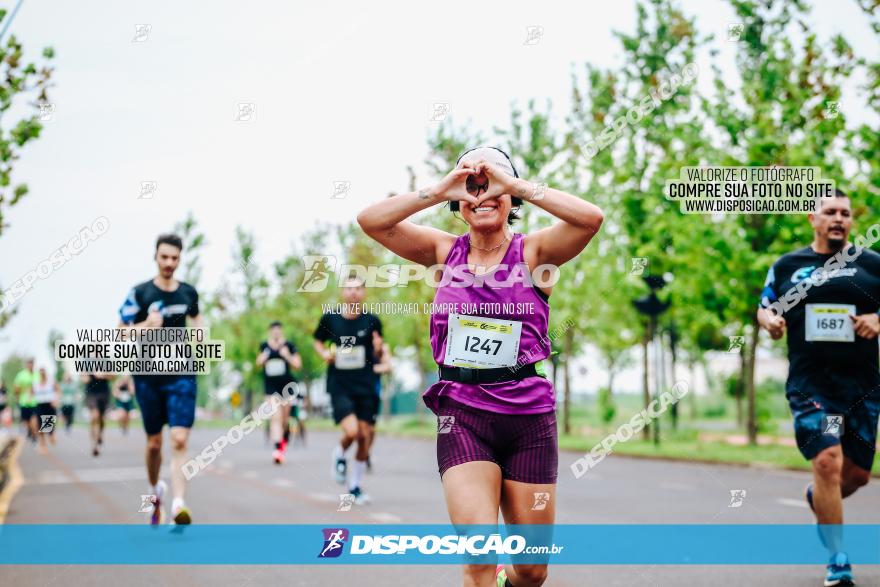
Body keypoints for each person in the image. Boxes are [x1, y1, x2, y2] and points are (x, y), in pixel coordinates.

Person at [357, 146, 603, 587]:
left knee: (531, 570)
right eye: (471, 188)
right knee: (478, 555)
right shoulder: (441, 251)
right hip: (463, 414)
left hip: (529, 418)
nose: (482, 194)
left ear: (512, 198)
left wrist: (514, 182)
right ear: (457, 201)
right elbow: (372, 221)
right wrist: (436, 190)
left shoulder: (535, 253)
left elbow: (590, 219)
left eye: (492, 185)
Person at [757, 189, 880, 587]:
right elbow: (765, 305)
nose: (839, 218)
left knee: (858, 474)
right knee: (828, 458)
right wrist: (770, 322)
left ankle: (818, 500)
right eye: (830, 212)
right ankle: (838, 560)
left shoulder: (872, 265)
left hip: (862, 386)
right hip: (813, 387)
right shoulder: (789, 266)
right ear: (813, 219)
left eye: (845, 213)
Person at [118, 233, 202, 525]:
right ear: (155, 256)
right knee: (154, 444)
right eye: (164, 257)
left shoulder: (188, 293)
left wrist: (202, 339)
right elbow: (120, 331)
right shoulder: (139, 293)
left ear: (180, 259)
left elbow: (198, 321)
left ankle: (179, 504)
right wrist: (144, 326)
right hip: (148, 375)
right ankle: (156, 492)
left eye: (174, 258)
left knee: (179, 439)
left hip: (181, 373)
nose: (169, 263)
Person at [313, 276, 384, 504]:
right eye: (349, 288)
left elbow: (379, 353)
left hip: (365, 386)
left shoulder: (372, 320)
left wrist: (379, 349)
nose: (354, 292)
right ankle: (340, 453)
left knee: (365, 438)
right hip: (340, 385)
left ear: (364, 292)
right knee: (353, 432)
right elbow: (317, 341)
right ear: (343, 292)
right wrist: (324, 353)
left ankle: (355, 487)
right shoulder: (330, 319)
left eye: (358, 288)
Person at [255, 321, 302, 464]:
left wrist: (287, 356)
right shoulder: (265, 346)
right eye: (273, 330)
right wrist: (262, 358)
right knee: (275, 416)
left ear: (281, 331)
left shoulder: (289, 346)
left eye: (278, 330)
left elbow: (298, 365)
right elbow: (258, 363)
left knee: (284, 420)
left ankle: (282, 446)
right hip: (271, 387)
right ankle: (277, 450)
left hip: (286, 386)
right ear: (270, 331)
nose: (276, 332)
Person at [366, 338, 392, 473]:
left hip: (373, 394)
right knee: (360, 428)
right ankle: (362, 451)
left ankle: (366, 452)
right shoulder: (364, 345)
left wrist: (370, 368)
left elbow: (388, 367)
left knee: (371, 429)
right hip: (358, 393)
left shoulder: (382, 350)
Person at [83, 372, 112, 456]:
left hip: (104, 393)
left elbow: (113, 376)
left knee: (102, 419)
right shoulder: (87, 361)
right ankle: (94, 446)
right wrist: (92, 374)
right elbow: (84, 378)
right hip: (91, 393)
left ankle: (100, 434)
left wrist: (104, 374)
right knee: (94, 416)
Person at [32, 367, 59, 454]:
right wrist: (30, 398)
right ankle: (43, 445)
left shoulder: (51, 382)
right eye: (40, 372)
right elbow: (30, 392)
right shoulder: (35, 383)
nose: (42, 374)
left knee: (48, 427)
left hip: (49, 404)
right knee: (39, 426)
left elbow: (58, 390)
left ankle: (51, 435)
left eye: (43, 372)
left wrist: (56, 399)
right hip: (39, 405)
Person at [13, 358, 37, 444]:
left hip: (36, 402)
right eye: (29, 363)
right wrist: (18, 394)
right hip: (24, 401)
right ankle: (30, 431)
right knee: (26, 420)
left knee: (34, 419)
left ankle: (35, 436)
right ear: (26, 365)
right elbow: (16, 387)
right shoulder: (21, 375)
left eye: (32, 363)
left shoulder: (37, 374)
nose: (30, 365)